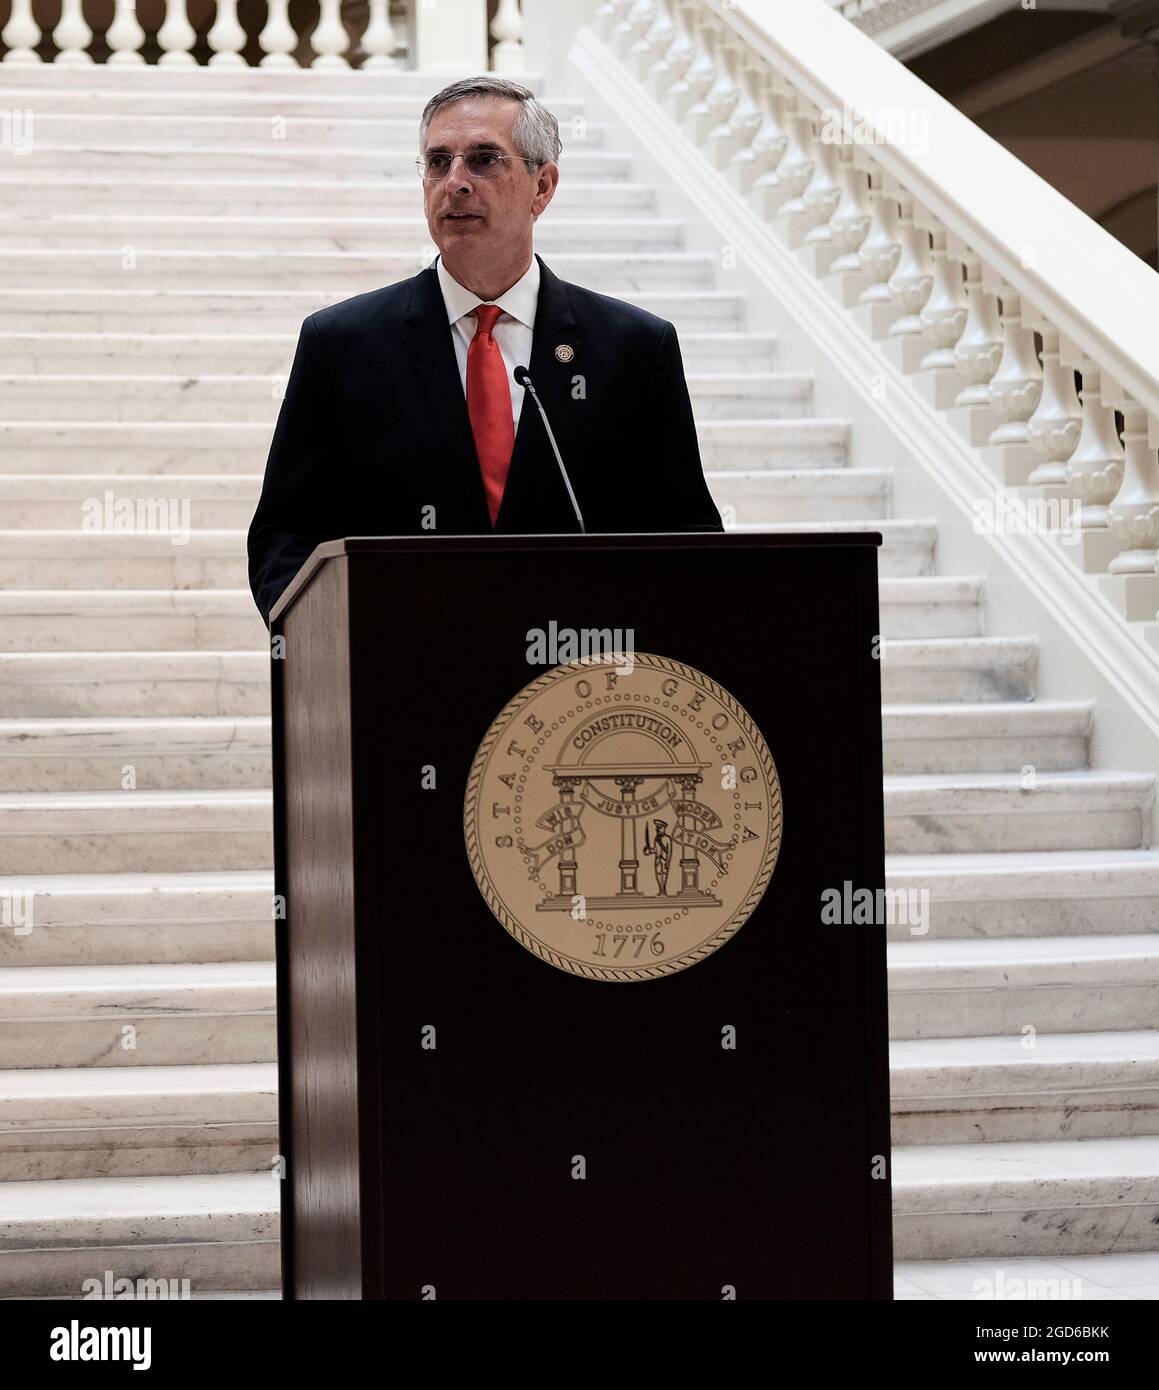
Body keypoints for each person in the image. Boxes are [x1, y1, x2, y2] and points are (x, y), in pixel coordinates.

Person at [248, 75, 723, 625]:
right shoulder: (343, 345)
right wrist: (325, 642)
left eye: (483, 159)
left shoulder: (635, 348)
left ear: (542, 187)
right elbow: (284, 534)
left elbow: (687, 536)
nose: (455, 182)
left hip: (579, 683)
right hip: (401, 674)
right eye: (437, 161)